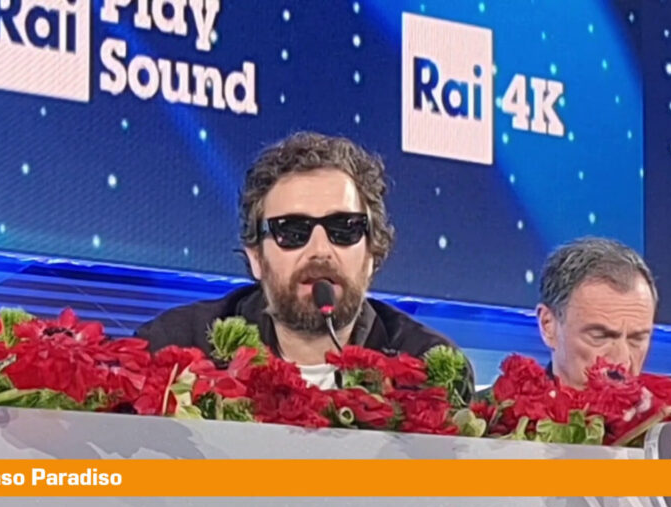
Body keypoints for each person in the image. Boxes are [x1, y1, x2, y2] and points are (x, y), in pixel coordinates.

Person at [137, 131, 473, 396]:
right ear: (256, 258)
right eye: (292, 231)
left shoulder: (427, 367)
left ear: (372, 253)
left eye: (344, 229)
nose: (320, 250)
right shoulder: (177, 348)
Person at [536, 237, 657, 388]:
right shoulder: (510, 402)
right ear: (547, 326)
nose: (621, 361)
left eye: (637, 339)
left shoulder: (669, 401)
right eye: (599, 337)